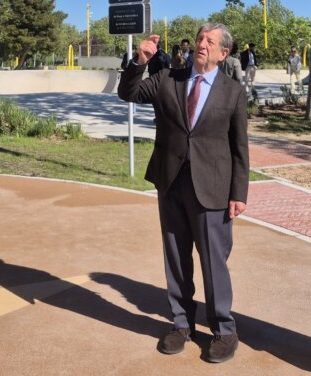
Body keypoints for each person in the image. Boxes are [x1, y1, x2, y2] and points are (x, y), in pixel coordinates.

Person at [118, 23, 249, 364]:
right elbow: (129, 93)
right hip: (171, 183)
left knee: (213, 261)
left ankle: (224, 330)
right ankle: (181, 324)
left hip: (213, 188)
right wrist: (140, 61)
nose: (202, 44)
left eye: (210, 41)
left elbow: (239, 147)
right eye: (200, 38)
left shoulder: (233, 91)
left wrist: (239, 193)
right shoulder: (167, 79)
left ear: (223, 53)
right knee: (176, 258)